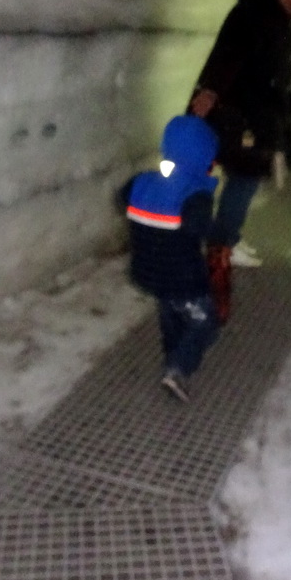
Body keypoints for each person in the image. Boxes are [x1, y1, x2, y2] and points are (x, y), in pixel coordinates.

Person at [188, 0, 291, 316]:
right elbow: (227, 54)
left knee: (242, 175)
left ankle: (221, 238)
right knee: (244, 176)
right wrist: (209, 92)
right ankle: (221, 243)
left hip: (256, 111)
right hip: (239, 111)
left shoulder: (277, 16)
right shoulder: (255, 12)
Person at [119, 114, 220, 403]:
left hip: (149, 271)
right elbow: (201, 227)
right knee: (205, 322)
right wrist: (224, 234)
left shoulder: (141, 182)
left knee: (171, 314)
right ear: (202, 156)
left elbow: (121, 198)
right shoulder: (194, 194)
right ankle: (177, 368)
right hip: (183, 276)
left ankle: (171, 354)